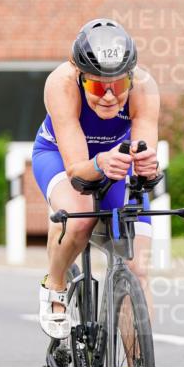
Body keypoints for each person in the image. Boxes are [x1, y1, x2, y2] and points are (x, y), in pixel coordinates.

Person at [32, 19, 160, 338]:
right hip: (60, 155)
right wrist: (100, 162)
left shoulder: (144, 87)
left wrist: (147, 165)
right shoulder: (61, 83)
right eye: (97, 87)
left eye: (118, 85)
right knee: (80, 220)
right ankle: (55, 285)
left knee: (137, 268)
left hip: (115, 158)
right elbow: (77, 169)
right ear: (80, 75)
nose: (109, 97)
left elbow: (143, 149)